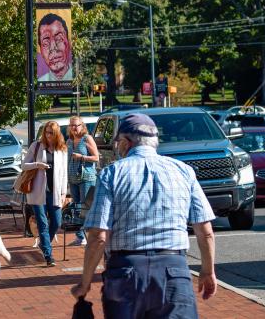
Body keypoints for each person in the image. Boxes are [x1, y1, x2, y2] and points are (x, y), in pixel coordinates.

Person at [71, 113, 217, 318]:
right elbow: (206, 232)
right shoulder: (184, 171)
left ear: (125, 142)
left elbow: (98, 236)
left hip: (126, 272)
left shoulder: (112, 173)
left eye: (118, 143)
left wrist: (85, 284)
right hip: (173, 271)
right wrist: (207, 270)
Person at [22, 119, 68, 266]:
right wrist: (37, 164)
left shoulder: (62, 149)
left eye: (52, 133)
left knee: (57, 221)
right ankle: (49, 256)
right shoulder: (36, 146)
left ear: (57, 134)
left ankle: (44, 243)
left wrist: (63, 193)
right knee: (42, 222)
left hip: (54, 192)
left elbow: (64, 173)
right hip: (37, 191)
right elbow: (24, 165)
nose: (49, 135)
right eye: (47, 132)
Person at [67, 115, 99, 246]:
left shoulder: (87, 138)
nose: (74, 128)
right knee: (76, 206)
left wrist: (81, 157)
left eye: (76, 125)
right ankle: (80, 236)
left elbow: (96, 157)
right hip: (73, 177)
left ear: (82, 126)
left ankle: (89, 236)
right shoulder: (69, 141)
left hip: (86, 177)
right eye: (72, 125)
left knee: (85, 207)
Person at [37, 13, 73, 81]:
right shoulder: (42, 81)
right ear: (41, 51)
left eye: (59, 39)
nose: (53, 48)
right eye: (46, 44)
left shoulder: (75, 80)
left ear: (68, 42)